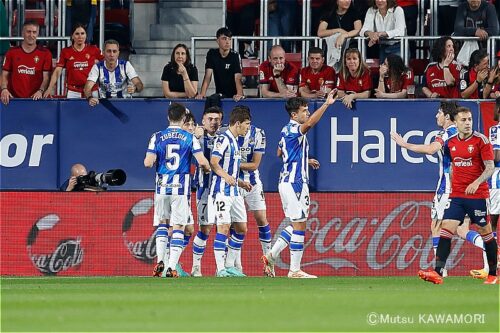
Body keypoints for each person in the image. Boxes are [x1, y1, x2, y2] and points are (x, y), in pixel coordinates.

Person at [391, 101, 489, 278]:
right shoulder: (464, 133)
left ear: (447, 116)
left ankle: (440, 270)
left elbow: (430, 149)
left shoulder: (447, 133)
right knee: (460, 228)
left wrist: (404, 145)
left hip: (448, 187)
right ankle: (488, 247)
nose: (436, 116)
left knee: (436, 225)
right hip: (464, 187)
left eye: (439, 113)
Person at [418, 106, 498, 285]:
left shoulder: (481, 141)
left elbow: (490, 167)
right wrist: (454, 183)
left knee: (486, 233)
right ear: (455, 122)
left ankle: (493, 274)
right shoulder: (450, 143)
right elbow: (450, 166)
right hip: (457, 196)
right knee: (446, 228)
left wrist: (476, 182)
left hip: (478, 195)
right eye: (463, 120)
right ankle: (438, 272)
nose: (468, 123)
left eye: (469, 119)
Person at [262, 90, 338, 278]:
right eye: (304, 111)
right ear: (294, 115)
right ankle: (293, 270)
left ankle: (272, 255)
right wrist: (327, 104)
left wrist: (305, 159)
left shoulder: (285, 130)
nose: (307, 114)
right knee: (299, 224)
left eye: (307, 110)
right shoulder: (295, 128)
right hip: (295, 182)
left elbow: (280, 152)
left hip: (287, 180)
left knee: (298, 223)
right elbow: (311, 123)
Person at [145, 102, 210, 278]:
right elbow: (202, 161)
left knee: (163, 223)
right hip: (180, 188)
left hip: (161, 188)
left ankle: (160, 260)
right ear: (183, 119)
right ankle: (171, 267)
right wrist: (206, 168)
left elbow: (148, 162)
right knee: (179, 226)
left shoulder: (156, 136)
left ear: (168, 117)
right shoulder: (189, 138)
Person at [208, 106, 252, 277]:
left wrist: (241, 183)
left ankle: (229, 265)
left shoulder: (235, 140)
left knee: (241, 228)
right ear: (238, 123)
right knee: (223, 228)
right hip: (221, 192)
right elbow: (213, 162)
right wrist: (226, 177)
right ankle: (220, 269)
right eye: (247, 124)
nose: (248, 127)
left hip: (235, 192)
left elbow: (231, 170)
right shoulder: (224, 139)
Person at [231, 105, 273, 275]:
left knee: (261, 218)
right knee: (237, 225)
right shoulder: (227, 134)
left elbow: (255, 164)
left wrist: (231, 164)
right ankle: (237, 267)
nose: (247, 126)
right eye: (245, 123)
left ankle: (268, 263)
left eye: (249, 123)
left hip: (253, 183)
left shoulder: (258, 134)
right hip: (233, 183)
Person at [190, 106, 224, 277]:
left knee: (224, 228)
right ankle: (196, 267)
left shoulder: (225, 137)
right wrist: (193, 134)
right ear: (203, 121)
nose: (213, 122)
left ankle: (222, 268)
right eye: (210, 119)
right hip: (204, 190)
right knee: (205, 229)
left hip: (222, 191)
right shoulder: (196, 137)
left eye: (216, 119)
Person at [44, 23, 103, 99]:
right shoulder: (65, 51)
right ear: (72, 36)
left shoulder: (94, 49)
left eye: (82, 33)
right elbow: (57, 71)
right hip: (73, 92)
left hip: (92, 90)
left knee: (94, 111)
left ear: (86, 35)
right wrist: (49, 88)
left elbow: (106, 64)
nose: (80, 36)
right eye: (77, 34)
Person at [1, 20, 52, 105]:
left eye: (34, 32)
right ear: (23, 33)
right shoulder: (11, 52)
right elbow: (4, 74)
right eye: (28, 32)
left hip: (36, 100)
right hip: (14, 100)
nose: (31, 35)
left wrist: (40, 91)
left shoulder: (45, 54)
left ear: (37, 34)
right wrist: (4, 89)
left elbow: (46, 78)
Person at [84, 39, 143, 106]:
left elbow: (139, 84)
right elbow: (87, 88)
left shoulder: (126, 65)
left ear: (118, 53)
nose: (111, 55)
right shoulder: (97, 67)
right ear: (103, 53)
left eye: (114, 51)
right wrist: (90, 98)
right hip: (104, 105)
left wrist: (135, 88)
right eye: (109, 51)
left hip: (125, 103)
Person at [197, 27, 244, 102]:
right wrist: (202, 94)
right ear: (217, 40)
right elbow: (208, 76)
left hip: (234, 96)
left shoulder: (235, 55)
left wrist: (239, 94)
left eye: (229, 39)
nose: (227, 42)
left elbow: (238, 78)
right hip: (219, 95)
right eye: (224, 38)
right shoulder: (212, 54)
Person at [485, 97, 500, 276]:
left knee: (492, 224)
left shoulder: (495, 130)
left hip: (497, 182)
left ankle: (492, 268)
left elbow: (495, 156)